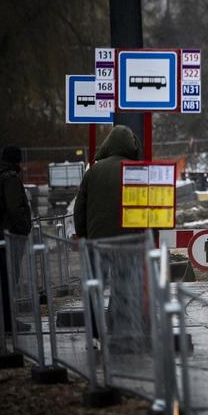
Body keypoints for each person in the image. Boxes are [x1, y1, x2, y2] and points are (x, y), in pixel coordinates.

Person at [74, 125, 141, 346]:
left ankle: (94, 334)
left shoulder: (93, 170)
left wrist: (83, 236)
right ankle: (118, 329)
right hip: (127, 240)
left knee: (96, 285)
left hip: (96, 241)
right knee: (123, 285)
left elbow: (80, 207)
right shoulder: (135, 170)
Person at [0, 145, 32, 332]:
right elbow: (14, 208)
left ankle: (6, 321)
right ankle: (8, 323)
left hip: (1, 234)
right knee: (9, 279)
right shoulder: (10, 179)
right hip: (11, 235)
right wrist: (24, 228)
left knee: (5, 279)